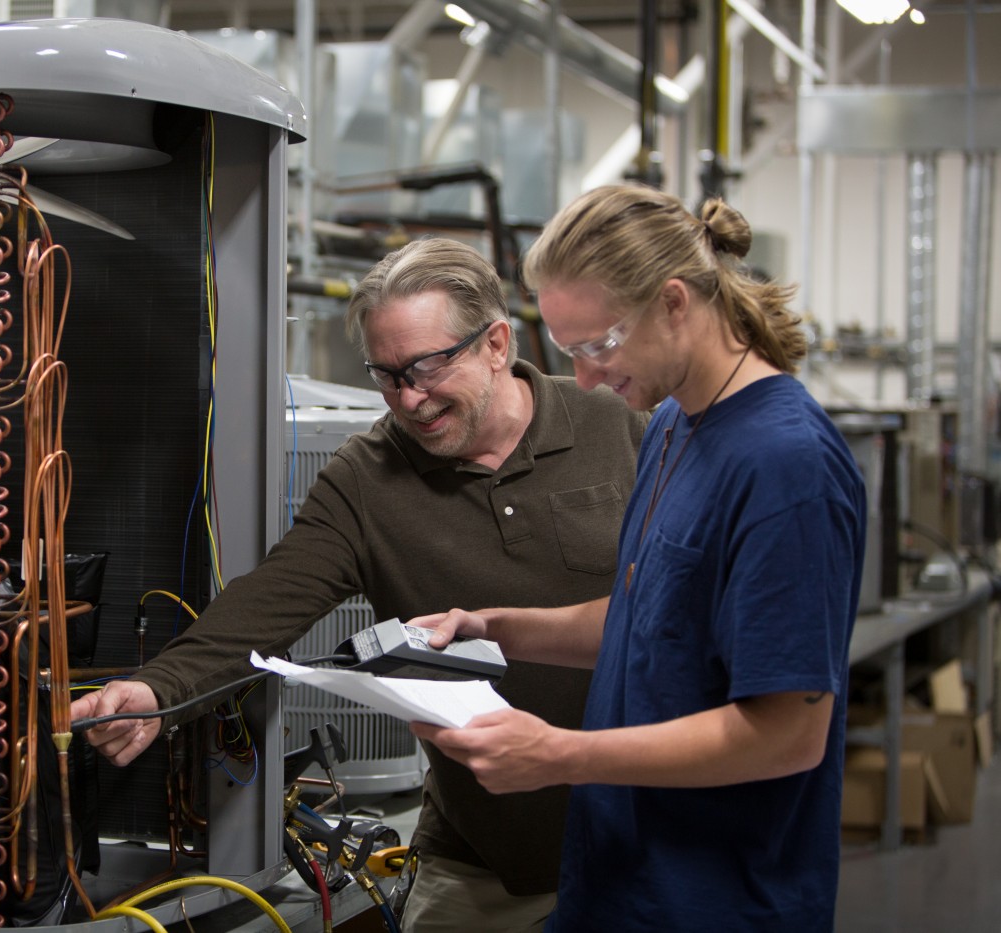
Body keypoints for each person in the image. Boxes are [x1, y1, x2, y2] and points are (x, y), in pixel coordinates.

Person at [70, 237, 647, 932]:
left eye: (428, 367)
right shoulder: (368, 477)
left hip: (645, 833)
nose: (410, 398)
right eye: (386, 374)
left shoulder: (615, 421)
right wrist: (160, 689)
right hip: (486, 856)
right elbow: (271, 598)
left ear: (496, 342)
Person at [409, 185, 867, 932]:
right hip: (618, 887)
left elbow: (788, 732)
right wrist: (498, 628)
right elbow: (651, 616)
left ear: (676, 302)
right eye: (568, 351)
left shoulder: (786, 465)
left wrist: (562, 753)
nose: (585, 378)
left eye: (600, 344)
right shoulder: (673, 426)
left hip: (716, 899)